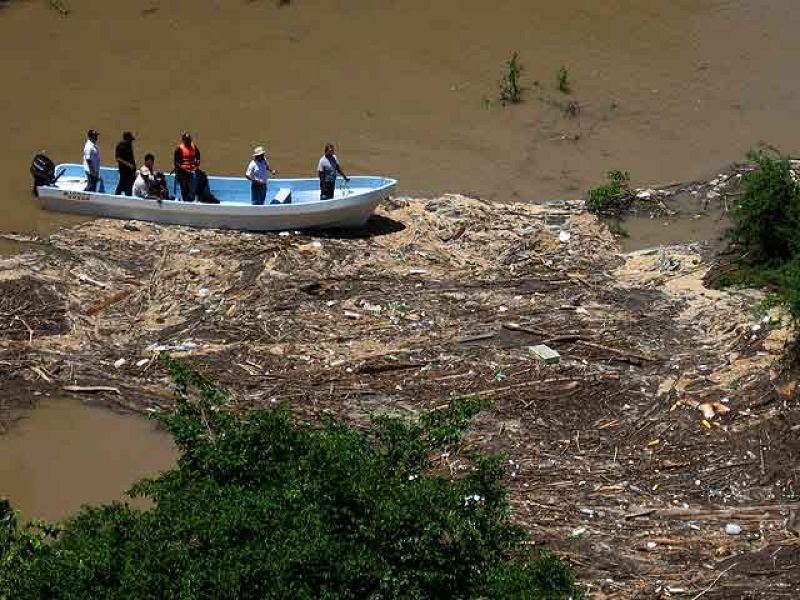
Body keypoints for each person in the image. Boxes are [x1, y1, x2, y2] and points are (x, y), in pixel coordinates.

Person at [173, 131, 200, 202]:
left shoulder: (194, 147)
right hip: (183, 172)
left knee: (197, 182)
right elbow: (177, 163)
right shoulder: (179, 149)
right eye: (186, 140)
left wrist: (197, 163)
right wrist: (185, 171)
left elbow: (198, 156)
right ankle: (185, 201)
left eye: (189, 140)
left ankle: (193, 198)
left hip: (192, 170)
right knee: (184, 187)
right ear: (183, 140)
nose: (188, 142)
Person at [114, 131, 137, 196]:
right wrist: (128, 165)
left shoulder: (129, 145)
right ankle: (117, 196)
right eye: (130, 139)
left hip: (130, 170)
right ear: (126, 138)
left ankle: (127, 196)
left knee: (128, 185)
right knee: (122, 183)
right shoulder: (120, 145)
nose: (131, 141)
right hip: (124, 170)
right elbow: (118, 158)